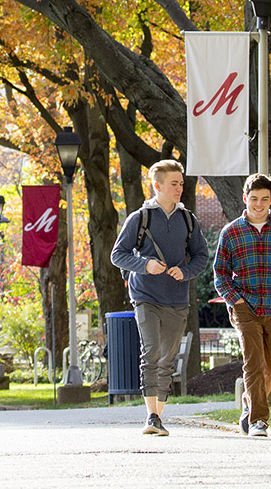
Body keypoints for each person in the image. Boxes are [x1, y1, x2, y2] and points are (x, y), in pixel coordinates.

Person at [111, 159, 209, 437]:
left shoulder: (188, 219)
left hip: (177, 298)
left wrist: (186, 271)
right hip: (145, 295)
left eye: (181, 184)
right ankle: (151, 415)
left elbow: (202, 256)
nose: (179, 188)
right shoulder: (140, 218)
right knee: (151, 351)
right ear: (157, 185)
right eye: (174, 184)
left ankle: (159, 416)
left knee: (167, 358)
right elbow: (118, 254)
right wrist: (145, 265)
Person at [213, 173, 271, 438]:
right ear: (245, 199)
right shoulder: (231, 232)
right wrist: (236, 300)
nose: (258, 204)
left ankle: (249, 404)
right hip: (244, 308)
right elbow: (220, 274)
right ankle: (258, 421)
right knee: (253, 362)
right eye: (253, 199)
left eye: (264, 199)